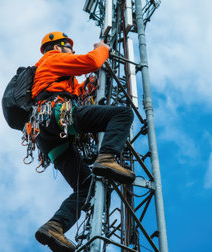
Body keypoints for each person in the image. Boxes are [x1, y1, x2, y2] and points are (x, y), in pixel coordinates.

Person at [32, 31, 135, 251]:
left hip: (47, 136)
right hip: (56, 116)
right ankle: (107, 158)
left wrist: (92, 83)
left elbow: (78, 92)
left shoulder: (55, 76)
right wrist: (103, 48)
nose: (73, 52)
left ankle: (55, 226)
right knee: (122, 115)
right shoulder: (53, 59)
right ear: (58, 48)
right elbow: (92, 60)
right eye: (70, 48)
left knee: (86, 187)